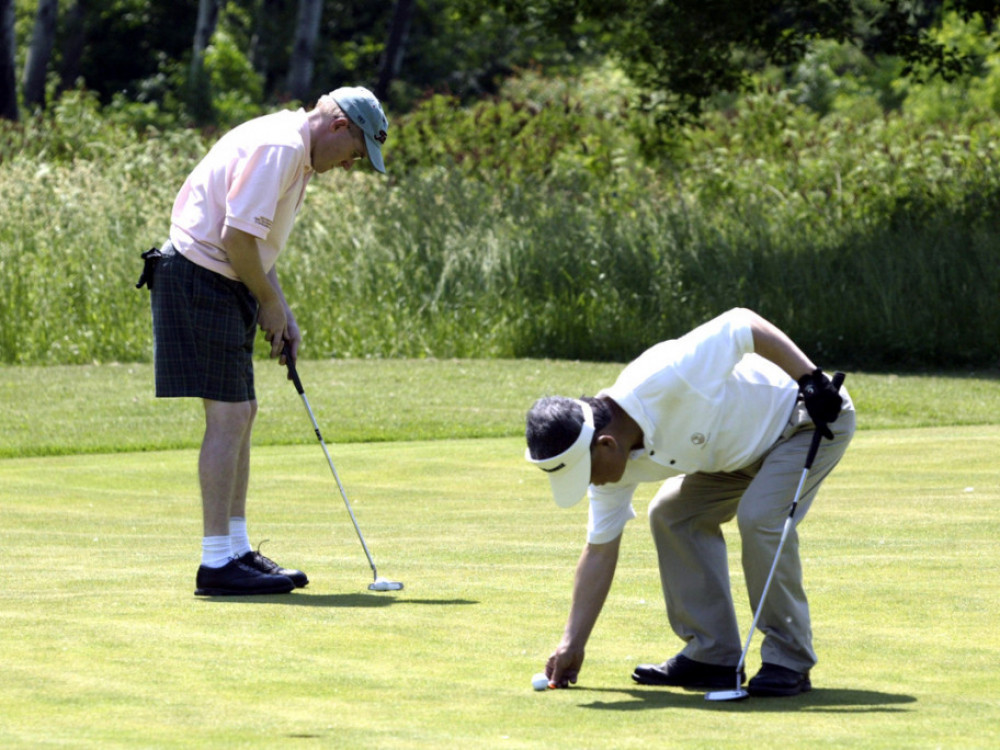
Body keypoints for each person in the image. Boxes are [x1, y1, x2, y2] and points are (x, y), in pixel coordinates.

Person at [524, 307, 855, 696]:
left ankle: (790, 660)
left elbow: (741, 323)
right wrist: (572, 642)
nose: (590, 484)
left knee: (759, 517)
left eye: (586, 473)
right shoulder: (607, 462)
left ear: (606, 444)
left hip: (805, 421)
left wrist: (811, 379)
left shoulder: (667, 377)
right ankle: (712, 656)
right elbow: (599, 551)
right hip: (736, 454)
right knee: (671, 514)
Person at [143, 87, 389, 596]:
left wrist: (282, 309)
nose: (350, 166)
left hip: (219, 278)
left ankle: (236, 551)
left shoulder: (296, 152)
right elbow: (234, 239)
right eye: (356, 154)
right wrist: (269, 305)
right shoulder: (282, 147)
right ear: (340, 127)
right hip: (199, 276)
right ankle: (217, 563)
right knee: (229, 414)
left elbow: (253, 245)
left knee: (244, 410)